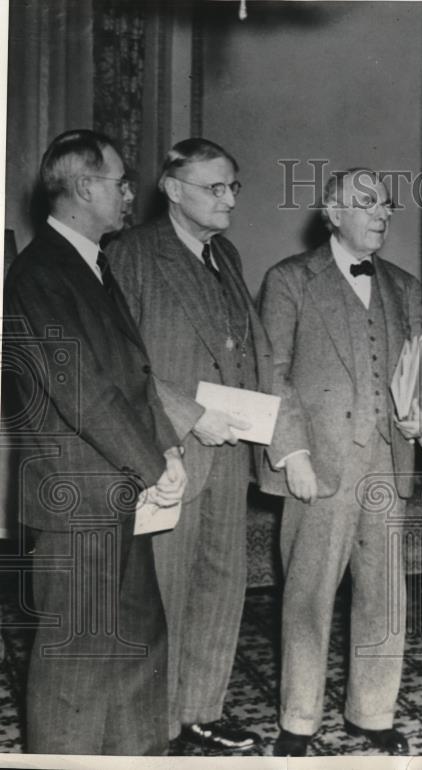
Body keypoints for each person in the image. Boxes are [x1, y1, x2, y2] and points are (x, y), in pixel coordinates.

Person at [3, 129, 186, 754]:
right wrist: (151, 463)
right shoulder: (39, 273)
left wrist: (165, 450)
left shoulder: (93, 264)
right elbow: (79, 386)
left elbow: (132, 376)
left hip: (119, 492)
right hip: (78, 502)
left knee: (137, 645)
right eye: (119, 181)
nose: (130, 193)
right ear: (83, 187)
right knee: (76, 666)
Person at [258, 168, 422, 757]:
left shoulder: (405, 285)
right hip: (319, 465)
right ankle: (299, 719)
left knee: (386, 596)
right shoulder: (290, 280)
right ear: (333, 214)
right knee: (308, 596)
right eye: (366, 204)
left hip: (387, 462)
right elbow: (273, 374)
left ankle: (372, 711)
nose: (381, 214)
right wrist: (293, 453)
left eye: (385, 204)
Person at [106, 138, 270, 751]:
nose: (229, 199)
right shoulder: (131, 253)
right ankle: (159, 727)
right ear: (174, 191)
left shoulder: (223, 252)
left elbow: (243, 344)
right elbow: (125, 360)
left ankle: (202, 711)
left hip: (227, 451)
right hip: (170, 452)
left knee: (221, 587)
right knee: (165, 594)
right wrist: (189, 416)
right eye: (215, 188)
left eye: (233, 186)